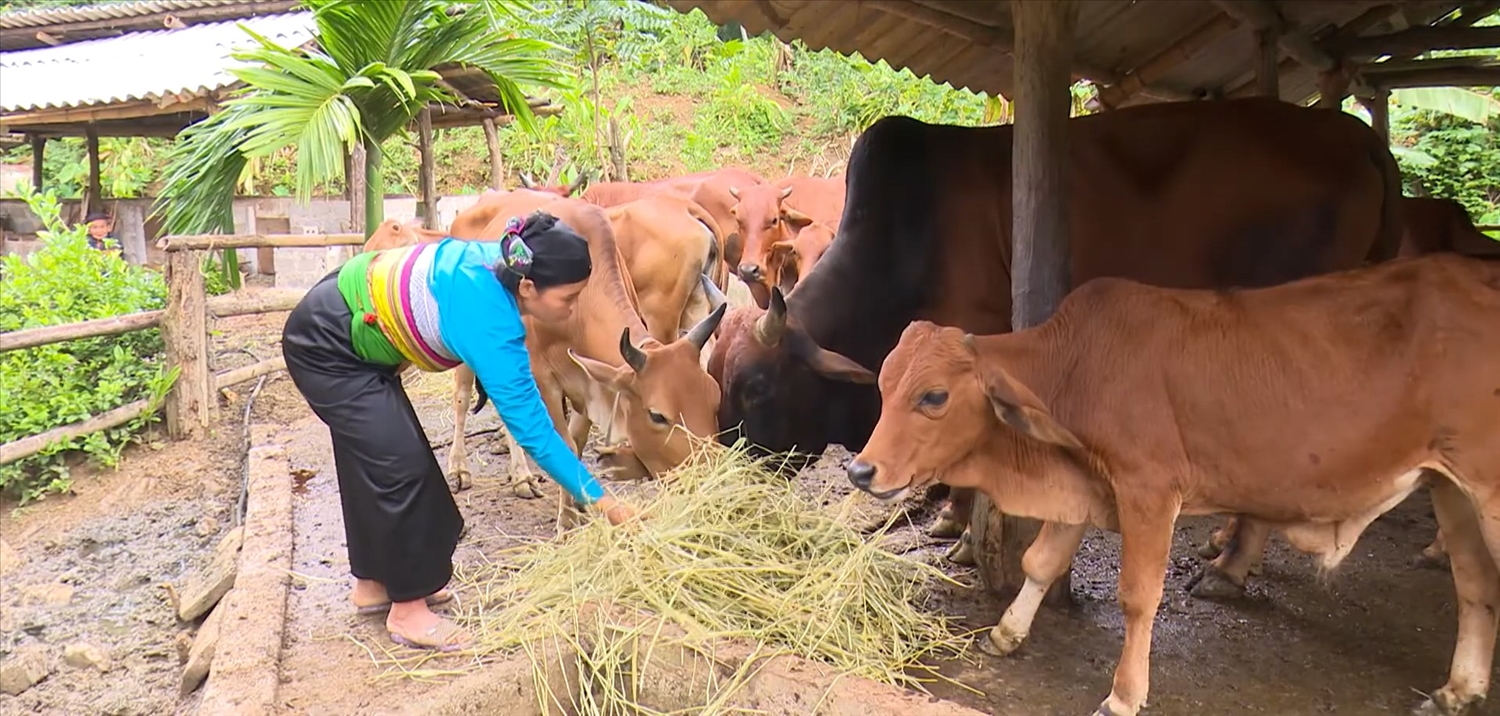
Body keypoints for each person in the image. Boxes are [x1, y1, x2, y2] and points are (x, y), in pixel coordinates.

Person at [280, 210, 638, 653]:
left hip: (346, 317)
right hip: (326, 344)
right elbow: (536, 434)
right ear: (529, 287)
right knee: (401, 469)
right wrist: (604, 501)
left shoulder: (503, 263)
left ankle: (374, 585)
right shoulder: (489, 317)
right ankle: (408, 612)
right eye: (569, 297)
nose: (572, 308)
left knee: (383, 456)